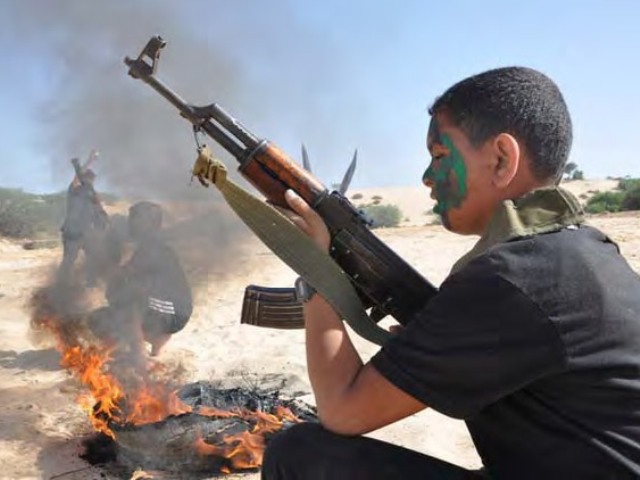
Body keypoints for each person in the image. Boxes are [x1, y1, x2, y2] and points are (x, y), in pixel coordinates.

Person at [262, 67, 640, 479]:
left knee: (298, 455)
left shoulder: (511, 278)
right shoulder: (583, 251)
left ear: (501, 159)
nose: (427, 177)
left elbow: (342, 409)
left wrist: (314, 268)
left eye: (439, 156)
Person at [100, 201, 193, 357]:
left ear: (146, 223)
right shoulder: (155, 245)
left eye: (133, 219)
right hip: (178, 312)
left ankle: (139, 360)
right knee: (129, 293)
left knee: (123, 300)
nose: (129, 224)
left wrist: (113, 255)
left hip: (171, 316)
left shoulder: (151, 249)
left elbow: (119, 275)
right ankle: (156, 346)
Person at [58, 155, 108, 285]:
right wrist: (90, 160)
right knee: (69, 260)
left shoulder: (92, 195)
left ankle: (91, 282)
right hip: (72, 232)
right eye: (89, 179)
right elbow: (77, 177)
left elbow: (100, 213)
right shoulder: (74, 191)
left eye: (92, 179)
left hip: (86, 232)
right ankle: (61, 284)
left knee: (92, 257)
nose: (91, 182)